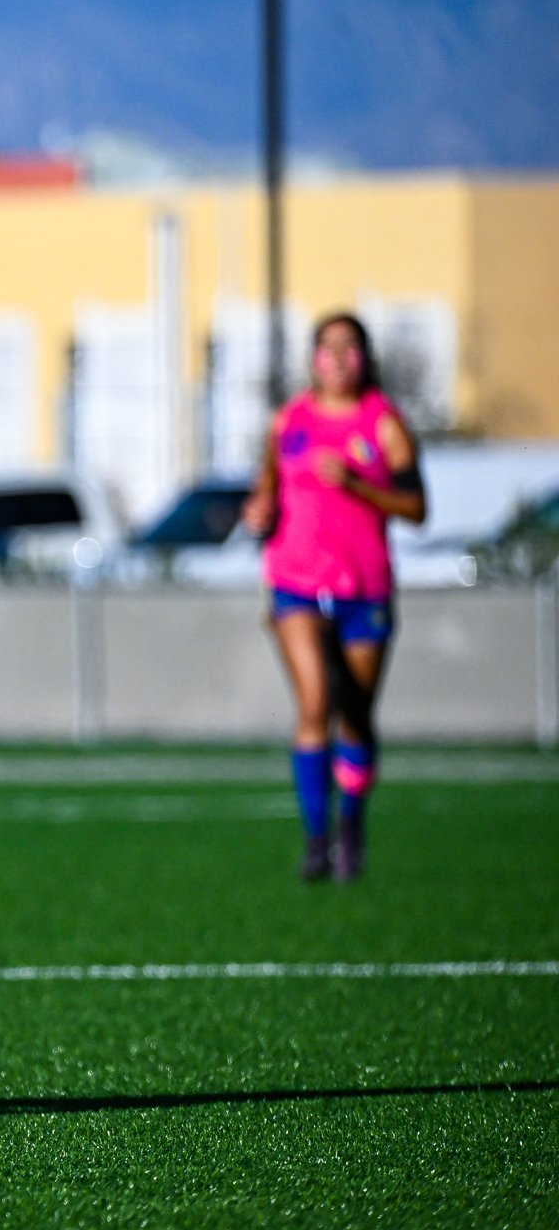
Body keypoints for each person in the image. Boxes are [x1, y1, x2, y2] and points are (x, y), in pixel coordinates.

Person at [242, 314, 425, 883]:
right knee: (315, 701)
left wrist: (358, 485)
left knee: (356, 717)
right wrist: (259, 513)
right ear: (313, 358)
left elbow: (416, 509)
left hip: (363, 589)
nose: (340, 358)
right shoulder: (288, 421)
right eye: (328, 347)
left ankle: (352, 829)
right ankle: (316, 841)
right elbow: (266, 493)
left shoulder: (384, 425)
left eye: (351, 347)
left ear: (366, 358)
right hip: (295, 583)